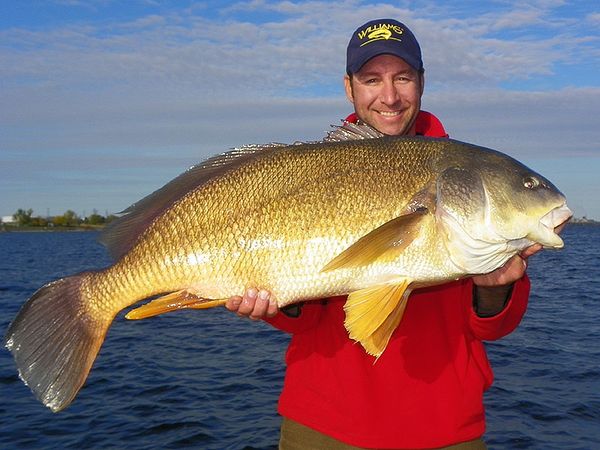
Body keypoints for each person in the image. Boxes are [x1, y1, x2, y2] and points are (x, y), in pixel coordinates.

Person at [226, 19, 541, 449]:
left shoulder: (470, 177)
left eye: (403, 78)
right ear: (349, 87)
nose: (389, 96)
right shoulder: (313, 171)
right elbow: (307, 317)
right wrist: (273, 303)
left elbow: (491, 328)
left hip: (444, 427)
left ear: (422, 82)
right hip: (322, 426)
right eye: (372, 79)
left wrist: (495, 289)